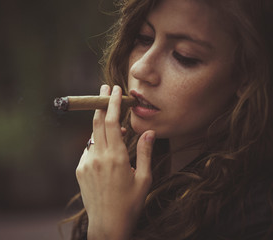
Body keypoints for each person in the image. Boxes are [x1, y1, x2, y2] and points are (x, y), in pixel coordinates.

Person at [65, 0, 273, 239]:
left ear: (246, 75)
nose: (140, 69)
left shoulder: (257, 217)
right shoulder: (117, 177)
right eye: (144, 38)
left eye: (184, 56)